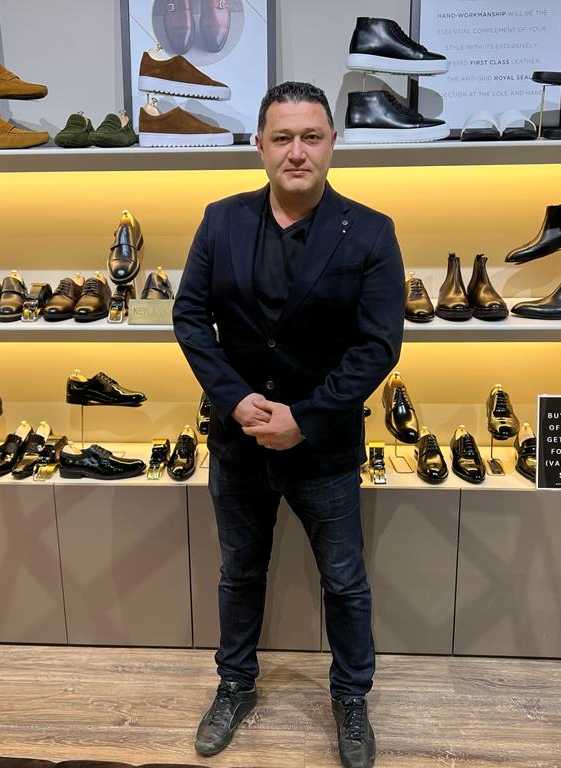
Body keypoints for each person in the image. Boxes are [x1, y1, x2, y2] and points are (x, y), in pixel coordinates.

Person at [172, 81, 405, 768]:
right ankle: (234, 685)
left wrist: (306, 417)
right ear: (260, 146)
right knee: (239, 573)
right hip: (238, 442)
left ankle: (351, 697)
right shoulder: (220, 220)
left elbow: (377, 346)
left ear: (332, 143)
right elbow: (191, 317)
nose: (296, 151)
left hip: (323, 447)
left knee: (344, 580)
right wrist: (233, 398)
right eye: (282, 138)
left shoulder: (371, 231)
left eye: (310, 137)